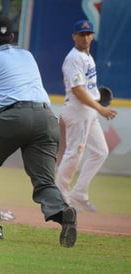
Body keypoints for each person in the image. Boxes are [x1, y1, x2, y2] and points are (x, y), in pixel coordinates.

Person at [0, 15, 77, 247]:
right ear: (12, 37)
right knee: (43, 180)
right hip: (46, 117)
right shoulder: (27, 55)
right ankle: (64, 213)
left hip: (13, 117)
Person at [55, 20, 117, 212]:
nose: (85, 37)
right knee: (74, 152)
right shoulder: (74, 58)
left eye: (88, 33)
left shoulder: (87, 56)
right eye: (81, 34)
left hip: (88, 110)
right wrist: (100, 108)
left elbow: (86, 87)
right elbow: (78, 91)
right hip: (78, 110)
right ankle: (59, 197)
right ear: (74, 36)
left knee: (100, 151)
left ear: (92, 35)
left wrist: (96, 99)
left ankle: (79, 193)